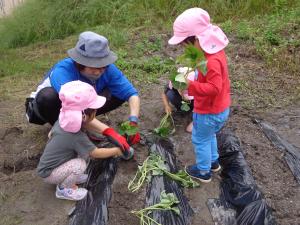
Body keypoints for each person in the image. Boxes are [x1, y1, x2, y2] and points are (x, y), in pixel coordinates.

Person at [25, 31, 140, 144]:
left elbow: (131, 94)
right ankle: (66, 132)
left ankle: (83, 123)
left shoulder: (108, 69)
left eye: (103, 65)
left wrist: (133, 121)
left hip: (80, 106)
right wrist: (108, 131)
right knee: (48, 97)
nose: (100, 71)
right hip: (45, 108)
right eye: (94, 66)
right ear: (80, 63)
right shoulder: (63, 71)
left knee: (118, 93)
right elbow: (73, 108)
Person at [37, 81, 134, 201]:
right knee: (80, 164)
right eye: (94, 111)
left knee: (81, 154)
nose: (96, 112)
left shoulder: (63, 121)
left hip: (52, 164)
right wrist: (116, 151)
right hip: (49, 173)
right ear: (83, 116)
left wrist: (109, 132)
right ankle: (63, 189)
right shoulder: (75, 136)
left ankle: (68, 175)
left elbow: (51, 133)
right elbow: (95, 153)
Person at [168, 8, 231, 183]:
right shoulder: (214, 53)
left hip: (209, 111)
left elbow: (214, 88)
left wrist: (190, 85)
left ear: (197, 39)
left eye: (185, 44)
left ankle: (203, 172)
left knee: (200, 139)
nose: (183, 47)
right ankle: (213, 162)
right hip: (218, 109)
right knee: (209, 135)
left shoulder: (211, 62)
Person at [161, 67, 196, 133]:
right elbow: (164, 92)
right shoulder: (175, 83)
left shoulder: (198, 85)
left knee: (190, 128)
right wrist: (167, 106)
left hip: (196, 103)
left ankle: (194, 113)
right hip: (185, 101)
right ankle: (182, 108)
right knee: (170, 94)